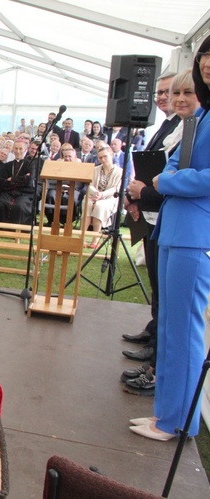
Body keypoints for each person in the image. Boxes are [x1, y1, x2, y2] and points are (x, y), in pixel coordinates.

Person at [129, 38, 210, 442]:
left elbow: (186, 174)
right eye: (205, 60)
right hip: (174, 229)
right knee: (171, 330)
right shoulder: (202, 117)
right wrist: (173, 177)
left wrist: (171, 180)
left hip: (195, 234)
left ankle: (178, 421)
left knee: (184, 332)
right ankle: (168, 414)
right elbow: (177, 163)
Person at [120, 70, 190, 392]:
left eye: (178, 92)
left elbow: (173, 176)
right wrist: (135, 195)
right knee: (158, 287)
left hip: (179, 223)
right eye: (163, 93)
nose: (169, 99)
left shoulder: (190, 127)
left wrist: (145, 192)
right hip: (155, 212)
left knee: (171, 300)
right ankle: (154, 342)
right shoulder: (168, 125)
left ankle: (158, 362)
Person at [82, 145, 123, 248]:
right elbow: (89, 184)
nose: (103, 159)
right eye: (100, 158)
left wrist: (102, 195)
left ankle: (95, 239)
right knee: (87, 203)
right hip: (93, 195)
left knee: (100, 206)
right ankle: (82, 237)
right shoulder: (95, 169)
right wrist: (96, 193)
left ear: (111, 155)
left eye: (105, 156)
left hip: (110, 198)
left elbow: (116, 188)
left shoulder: (119, 171)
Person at [0, 139, 35, 224]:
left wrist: (12, 179)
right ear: (13, 149)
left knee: (19, 206)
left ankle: (17, 232)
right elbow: (2, 181)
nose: (18, 151)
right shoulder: (8, 165)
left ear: (25, 150)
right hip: (9, 192)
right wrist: (22, 179)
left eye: (20, 149)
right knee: (1, 203)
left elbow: (29, 181)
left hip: (24, 193)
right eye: (16, 148)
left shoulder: (30, 164)